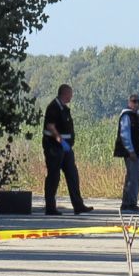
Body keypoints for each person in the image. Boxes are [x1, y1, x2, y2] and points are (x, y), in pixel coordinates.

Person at [42, 84, 93, 215]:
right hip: (54, 146)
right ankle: (50, 207)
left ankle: (78, 205)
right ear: (64, 94)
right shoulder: (53, 107)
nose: (71, 97)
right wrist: (61, 141)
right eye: (70, 94)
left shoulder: (64, 108)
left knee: (72, 175)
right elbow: (50, 126)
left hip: (66, 148)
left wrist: (67, 145)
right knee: (54, 176)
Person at [114, 94, 139, 214]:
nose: (136, 104)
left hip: (136, 151)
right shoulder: (126, 116)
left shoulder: (136, 116)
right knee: (133, 178)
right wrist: (130, 150)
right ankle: (129, 204)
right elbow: (125, 134)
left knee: (133, 177)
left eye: (137, 101)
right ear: (129, 102)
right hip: (131, 153)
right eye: (133, 101)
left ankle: (129, 202)